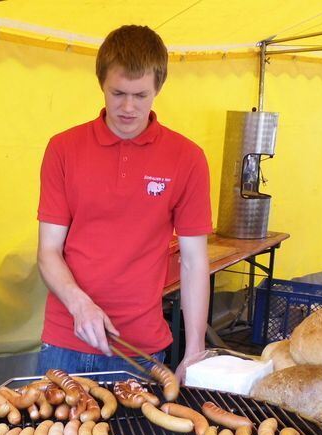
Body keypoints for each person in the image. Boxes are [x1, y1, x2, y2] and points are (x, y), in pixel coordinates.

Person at [36, 25, 212, 376]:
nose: (128, 107)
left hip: (141, 345)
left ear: (158, 88)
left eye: (141, 95)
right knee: (48, 433)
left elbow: (194, 261)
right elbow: (48, 251)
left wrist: (194, 350)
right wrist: (79, 305)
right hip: (65, 339)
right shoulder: (63, 149)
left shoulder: (187, 158)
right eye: (117, 93)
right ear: (101, 82)